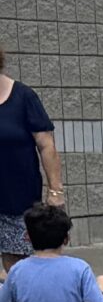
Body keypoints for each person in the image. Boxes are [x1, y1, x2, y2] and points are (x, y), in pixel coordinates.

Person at [0, 43, 63, 273]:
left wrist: (55, 191)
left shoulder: (23, 97)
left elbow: (46, 146)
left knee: (18, 268)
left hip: (18, 201)